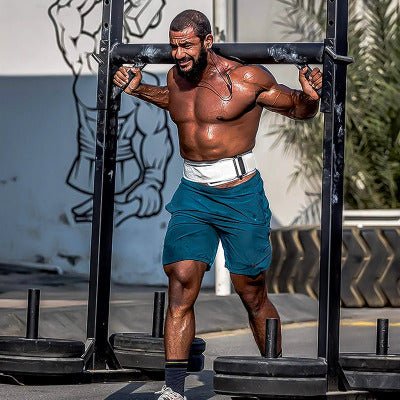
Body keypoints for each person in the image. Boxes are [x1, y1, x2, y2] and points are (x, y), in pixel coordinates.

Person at [114, 9, 322, 400]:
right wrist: (139, 89)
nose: (178, 54)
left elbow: (298, 109)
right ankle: (173, 389)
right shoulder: (175, 77)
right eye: (173, 46)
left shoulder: (247, 78)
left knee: (251, 291)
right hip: (193, 194)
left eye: (186, 46)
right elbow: (178, 104)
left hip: (240, 194)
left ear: (207, 41)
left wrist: (311, 97)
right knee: (181, 280)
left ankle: (275, 375)